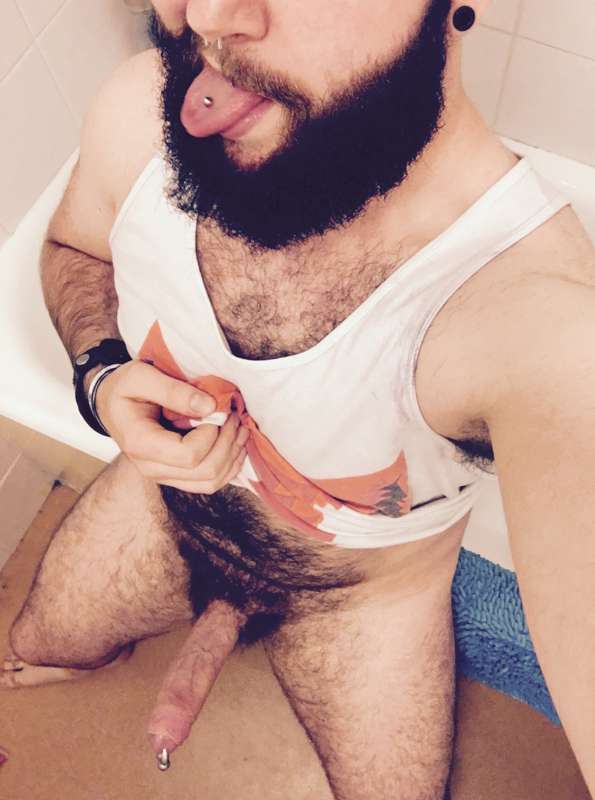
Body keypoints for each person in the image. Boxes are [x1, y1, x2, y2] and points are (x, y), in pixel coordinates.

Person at [3, 0, 595, 796]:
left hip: (361, 596)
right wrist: (99, 376)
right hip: (158, 505)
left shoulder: (538, 312)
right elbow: (75, 245)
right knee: (33, 650)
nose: (205, 16)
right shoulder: (137, 113)